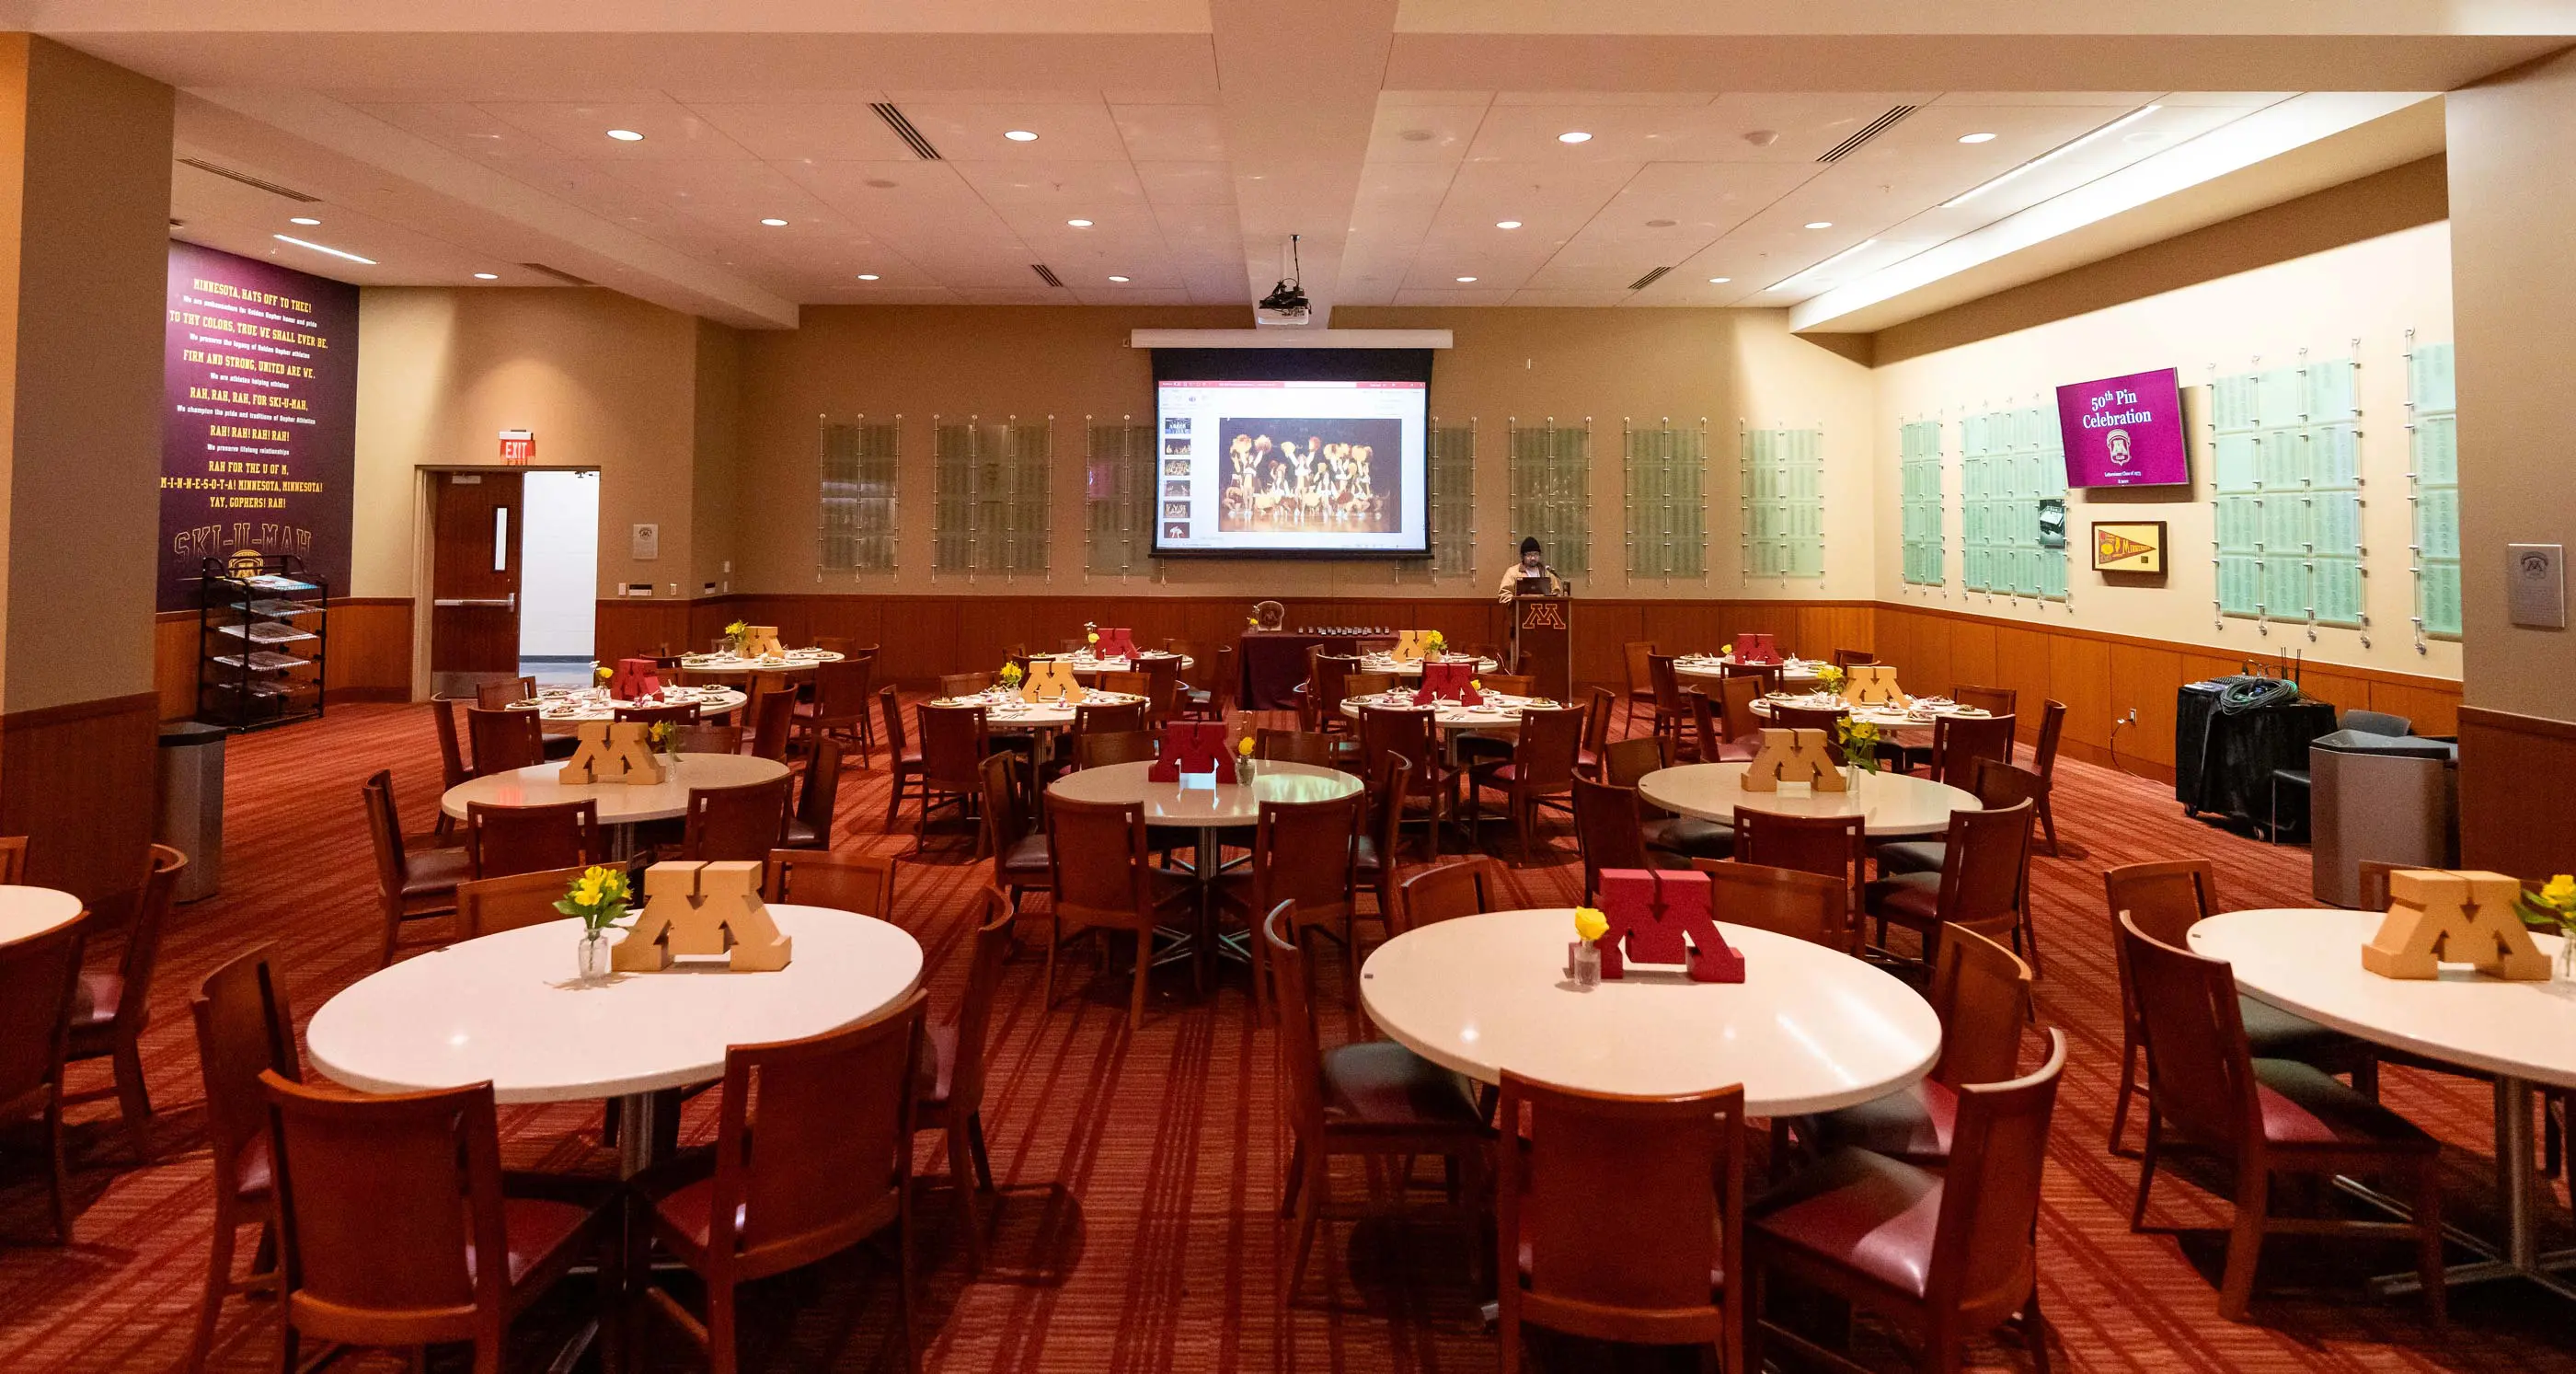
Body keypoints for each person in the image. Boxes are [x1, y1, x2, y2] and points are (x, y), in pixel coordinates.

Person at [1495, 536, 1566, 602]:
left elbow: (1556, 594)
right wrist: (1518, 602)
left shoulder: (1547, 573)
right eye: (1529, 555)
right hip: (1521, 610)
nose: (1533, 558)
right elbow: (1504, 595)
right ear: (1522, 556)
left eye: (1536, 554)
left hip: (1544, 610)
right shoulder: (1512, 572)